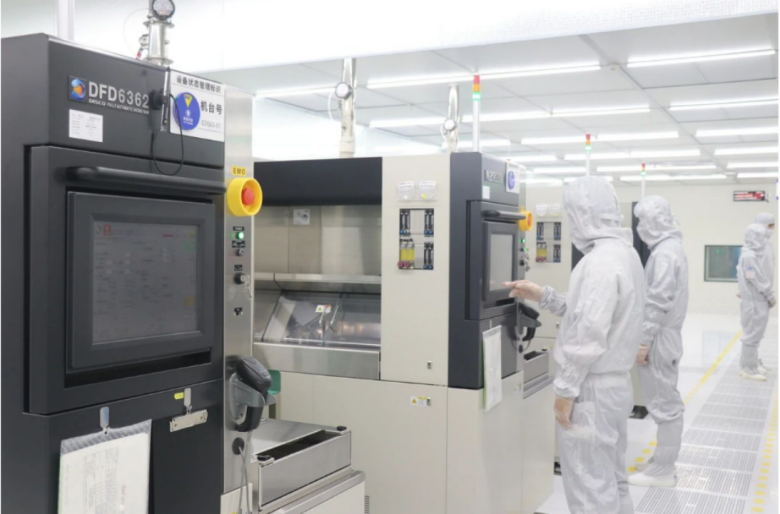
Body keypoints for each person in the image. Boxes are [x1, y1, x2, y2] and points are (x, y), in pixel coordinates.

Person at [505, 176, 645, 514]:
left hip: (590, 389)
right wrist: (544, 296)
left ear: (583, 213)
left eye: (571, 215)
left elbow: (588, 332)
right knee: (612, 479)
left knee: (588, 489)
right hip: (615, 387)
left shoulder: (598, 262)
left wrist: (566, 391)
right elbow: (592, 310)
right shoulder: (625, 255)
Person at [628, 196, 688, 488]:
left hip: (660, 339)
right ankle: (661, 462)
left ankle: (663, 469)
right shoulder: (670, 248)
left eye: (642, 221)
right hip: (665, 336)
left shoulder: (665, 253)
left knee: (665, 406)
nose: (640, 227)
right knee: (663, 401)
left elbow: (658, 301)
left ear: (654, 222)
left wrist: (644, 341)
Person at [737, 223, 776, 381]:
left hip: (755, 301)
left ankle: (750, 365)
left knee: (754, 335)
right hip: (755, 303)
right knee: (751, 336)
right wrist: (770, 295)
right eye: (762, 236)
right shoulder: (750, 256)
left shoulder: (749, 254)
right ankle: (748, 369)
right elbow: (756, 278)